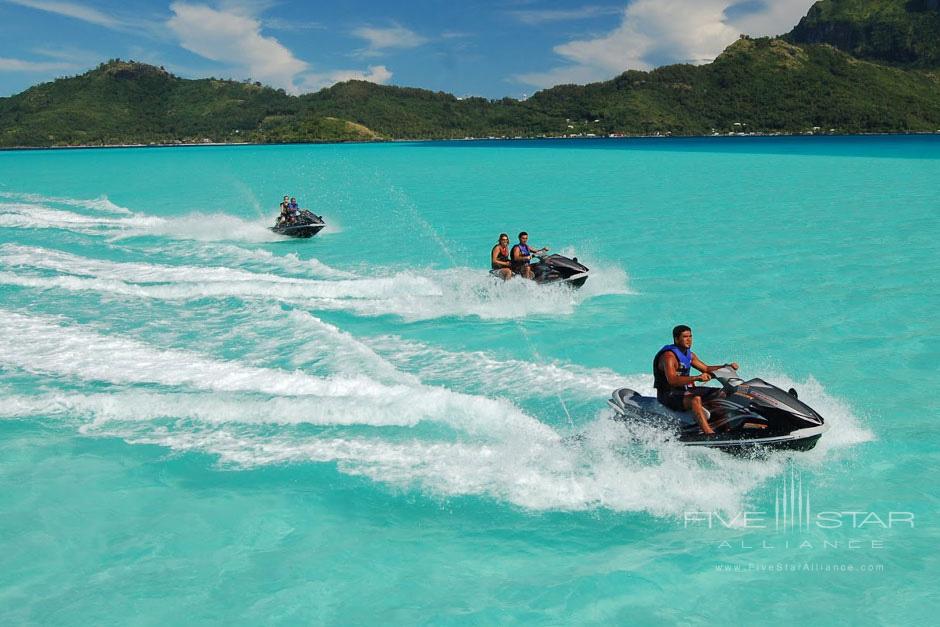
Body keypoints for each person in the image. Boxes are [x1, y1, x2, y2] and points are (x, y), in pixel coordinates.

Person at [652, 325, 739, 435]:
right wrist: (696, 378)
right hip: (668, 394)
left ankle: (725, 425)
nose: (689, 340)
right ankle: (709, 433)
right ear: (676, 339)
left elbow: (706, 368)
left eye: (690, 336)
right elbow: (672, 380)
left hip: (683, 391)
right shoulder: (669, 357)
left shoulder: (689, 355)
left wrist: (726, 366)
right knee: (695, 399)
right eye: (685, 337)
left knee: (719, 393)